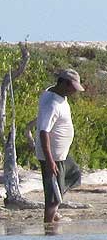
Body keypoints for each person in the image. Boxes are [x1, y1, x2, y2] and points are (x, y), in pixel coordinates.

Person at [35, 69, 83, 223]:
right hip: (53, 156)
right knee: (53, 198)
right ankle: (49, 226)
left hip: (62, 154)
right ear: (63, 83)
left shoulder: (54, 92)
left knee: (75, 174)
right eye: (72, 87)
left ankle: (55, 208)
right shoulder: (52, 104)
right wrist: (50, 161)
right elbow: (44, 132)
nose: (74, 91)